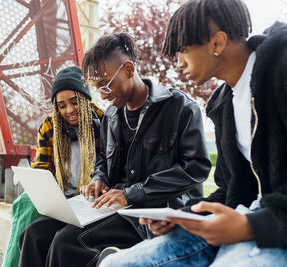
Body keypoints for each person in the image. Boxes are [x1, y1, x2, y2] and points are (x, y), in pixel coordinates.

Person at [99, 0, 287, 266]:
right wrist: (183, 216)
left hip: (272, 228)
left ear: (217, 43)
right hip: (242, 219)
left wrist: (250, 226)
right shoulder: (223, 103)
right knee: (112, 264)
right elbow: (230, 189)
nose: (178, 63)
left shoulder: (280, 71)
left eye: (184, 50)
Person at [18, 33, 211, 267]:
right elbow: (103, 161)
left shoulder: (180, 108)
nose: (102, 95)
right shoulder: (111, 116)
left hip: (154, 212)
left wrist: (132, 193)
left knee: (66, 243)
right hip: (115, 207)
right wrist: (98, 178)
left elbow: (195, 168)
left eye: (106, 85)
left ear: (129, 70)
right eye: (97, 88)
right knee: (34, 234)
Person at [2, 66, 104, 267]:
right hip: (59, 193)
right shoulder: (50, 126)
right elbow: (42, 168)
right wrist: (47, 191)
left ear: (85, 99)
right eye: (62, 105)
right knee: (25, 204)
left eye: (74, 103)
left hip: (87, 197)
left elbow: (107, 168)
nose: (69, 110)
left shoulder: (103, 122)